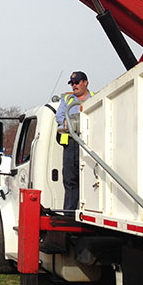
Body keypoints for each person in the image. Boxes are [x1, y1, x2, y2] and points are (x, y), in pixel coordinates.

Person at [56, 71, 94, 212]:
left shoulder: (95, 98)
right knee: (70, 179)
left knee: (90, 178)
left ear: (85, 82)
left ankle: (90, 211)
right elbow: (59, 116)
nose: (74, 86)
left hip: (89, 143)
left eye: (77, 83)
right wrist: (67, 121)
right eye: (72, 83)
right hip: (71, 144)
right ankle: (69, 214)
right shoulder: (67, 99)